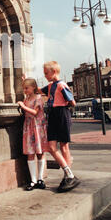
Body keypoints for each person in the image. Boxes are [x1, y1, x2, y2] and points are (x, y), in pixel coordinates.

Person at [41, 61, 80, 193]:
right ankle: (69, 174)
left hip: (62, 113)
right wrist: (26, 81)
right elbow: (38, 91)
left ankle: (68, 176)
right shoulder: (51, 85)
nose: (45, 75)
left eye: (46, 73)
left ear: (54, 72)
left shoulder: (61, 85)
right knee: (51, 147)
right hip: (52, 115)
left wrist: (64, 104)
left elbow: (72, 102)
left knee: (64, 146)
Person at [17, 78, 49, 191]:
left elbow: (35, 112)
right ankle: (33, 180)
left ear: (33, 87)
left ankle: (40, 179)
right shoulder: (27, 98)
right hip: (29, 127)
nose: (24, 90)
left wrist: (23, 106)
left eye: (27, 88)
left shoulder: (38, 98)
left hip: (37, 126)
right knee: (30, 153)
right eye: (24, 88)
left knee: (40, 153)